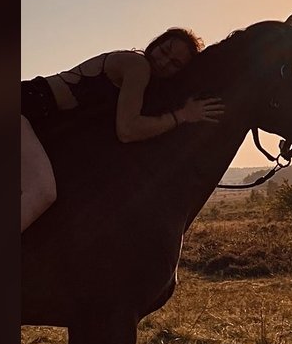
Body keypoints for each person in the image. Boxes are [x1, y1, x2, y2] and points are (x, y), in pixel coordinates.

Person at [21, 27, 223, 231]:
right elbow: (127, 130)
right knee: (42, 192)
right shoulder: (138, 65)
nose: (163, 62)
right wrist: (182, 115)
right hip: (24, 107)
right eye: (164, 51)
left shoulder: (144, 79)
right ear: (157, 43)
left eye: (174, 64)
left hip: (34, 119)